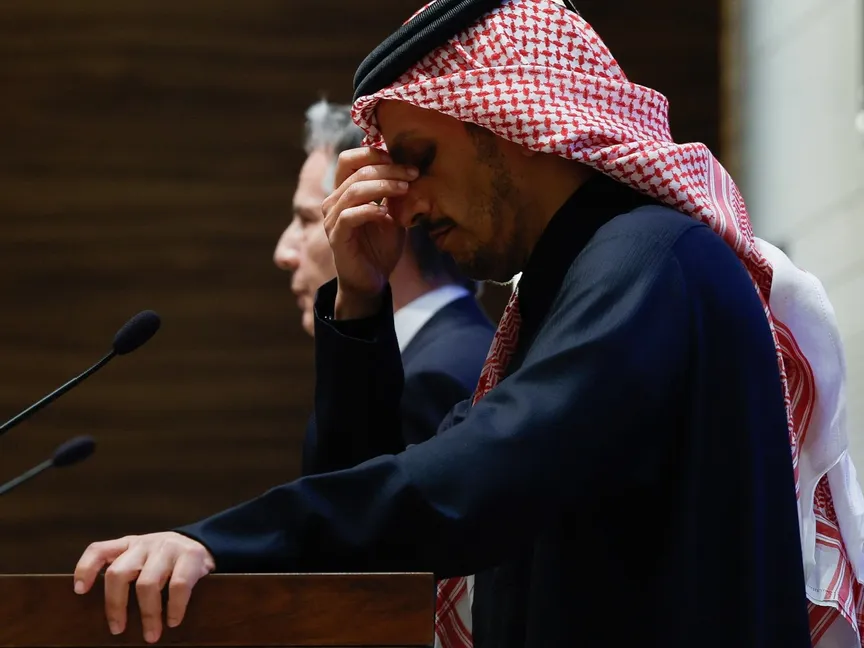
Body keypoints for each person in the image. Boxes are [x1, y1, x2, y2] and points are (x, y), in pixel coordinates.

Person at [72, 1, 864, 647]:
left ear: (517, 123)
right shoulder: (570, 288)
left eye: (418, 158)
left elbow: (479, 482)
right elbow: (386, 531)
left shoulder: (652, 261)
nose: (405, 203)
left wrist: (219, 544)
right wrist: (359, 301)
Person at [272, 99, 495, 473]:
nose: (283, 252)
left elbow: (344, 504)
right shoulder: (459, 351)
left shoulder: (435, 378)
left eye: (309, 219)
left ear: (374, 215)